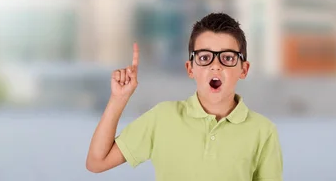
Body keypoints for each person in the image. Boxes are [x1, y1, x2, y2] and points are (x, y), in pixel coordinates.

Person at [85, 12, 283, 180]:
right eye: (205, 57)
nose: (216, 65)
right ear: (190, 68)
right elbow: (97, 162)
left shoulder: (263, 131)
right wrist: (119, 99)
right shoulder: (162, 117)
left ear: (244, 69)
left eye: (228, 58)